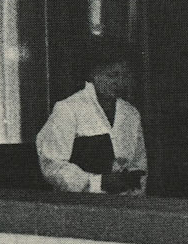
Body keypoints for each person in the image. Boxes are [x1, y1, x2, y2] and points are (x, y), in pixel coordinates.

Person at [36, 37, 148, 195]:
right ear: (94, 74)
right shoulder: (68, 109)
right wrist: (98, 182)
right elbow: (52, 166)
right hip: (79, 205)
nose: (119, 82)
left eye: (125, 75)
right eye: (112, 75)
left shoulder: (131, 114)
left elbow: (139, 166)